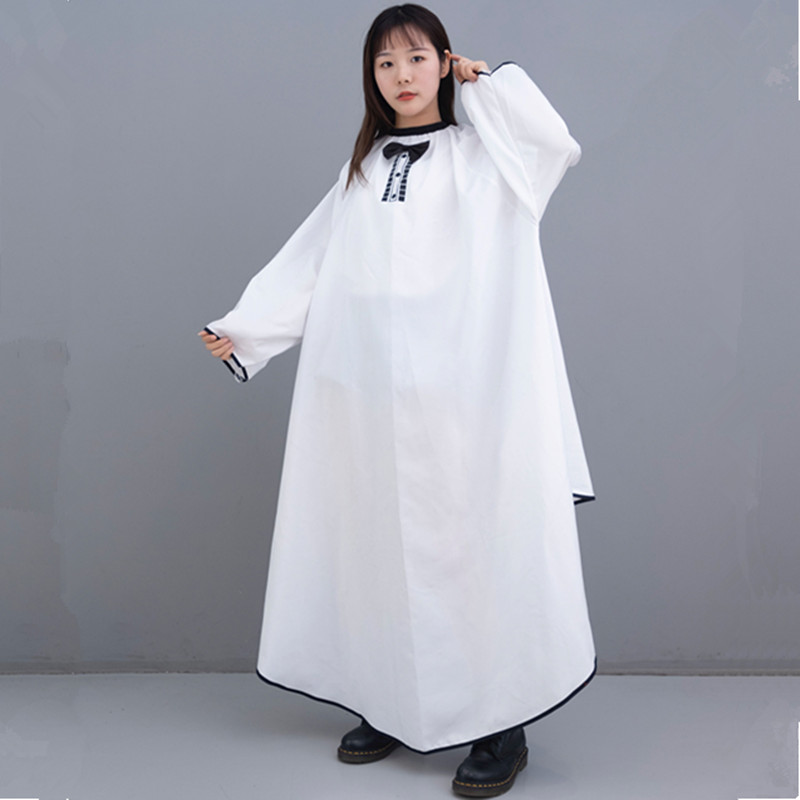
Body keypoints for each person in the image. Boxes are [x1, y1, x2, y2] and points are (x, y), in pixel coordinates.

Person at [198, 4, 596, 797]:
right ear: (371, 79)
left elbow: (555, 144)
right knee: (377, 550)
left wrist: (490, 87)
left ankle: (500, 726)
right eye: (385, 64)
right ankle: (388, 701)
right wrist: (247, 328)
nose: (402, 76)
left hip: (470, 400)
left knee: (475, 551)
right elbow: (313, 260)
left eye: (417, 58)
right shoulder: (365, 170)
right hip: (371, 403)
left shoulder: (490, 157)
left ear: (445, 62)